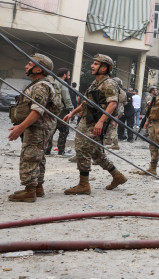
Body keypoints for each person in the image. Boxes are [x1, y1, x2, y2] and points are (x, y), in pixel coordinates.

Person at [62, 54, 127, 195]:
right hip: (88, 120)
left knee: (82, 148)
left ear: (104, 68)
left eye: (96, 64)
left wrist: (101, 122)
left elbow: (113, 103)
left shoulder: (108, 83)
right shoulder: (96, 82)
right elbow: (86, 101)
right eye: (93, 63)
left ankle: (83, 184)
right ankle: (117, 176)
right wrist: (72, 113)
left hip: (96, 121)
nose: (92, 66)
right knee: (97, 153)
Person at [7, 54, 58, 202]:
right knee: (39, 156)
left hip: (38, 127)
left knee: (30, 156)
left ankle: (29, 191)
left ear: (39, 69)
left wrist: (20, 128)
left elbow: (37, 110)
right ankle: (38, 188)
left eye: (30, 64)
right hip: (41, 127)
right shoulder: (41, 84)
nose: (26, 66)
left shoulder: (41, 86)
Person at [47, 67, 74, 156]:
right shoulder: (63, 83)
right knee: (64, 130)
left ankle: (47, 150)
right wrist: (71, 110)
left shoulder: (53, 82)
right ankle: (61, 151)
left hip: (52, 110)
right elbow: (66, 98)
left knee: (51, 129)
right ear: (64, 75)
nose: (69, 77)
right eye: (69, 75)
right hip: (62, 111)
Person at [104, 77, 126, 150]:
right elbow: (125, 102)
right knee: (111, 125)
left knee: (112, 126)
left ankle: (115, 143)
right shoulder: (123, 92)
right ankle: (108, 141)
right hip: (120, 109)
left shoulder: (114, 91)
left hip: (113, 109)